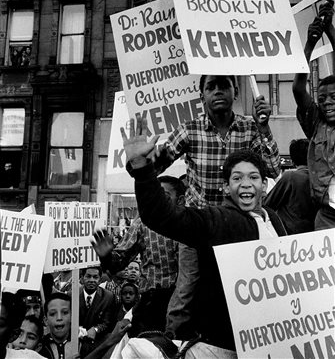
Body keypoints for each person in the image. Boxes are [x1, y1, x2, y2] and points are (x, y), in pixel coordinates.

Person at [93, 115, 287, 354]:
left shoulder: (274, 220)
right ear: (226, 187)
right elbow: (160, 215)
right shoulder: (218, 221)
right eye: (237, 178)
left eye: (253, 177)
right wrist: (142, 168)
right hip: (228, 344)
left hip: (274, 338)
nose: (246, 184)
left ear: (264, 185)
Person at [153, 74, 281, 339]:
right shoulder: (189, 129)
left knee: (246, 291)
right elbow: (159, 163)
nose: (217, 91)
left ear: (235, 92)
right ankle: (173, 343)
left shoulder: (250, 127)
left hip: (238, 227)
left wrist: (265, 128)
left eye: (224, 85)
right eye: (211, 86)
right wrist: (143, 159)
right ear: (202, 95)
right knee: (187, 290)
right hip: (199, 227)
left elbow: (273, 168)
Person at [93, 175, 184, 337]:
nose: (157, 200)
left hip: (185, 303)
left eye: (164, 195)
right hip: (153, 303)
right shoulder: (143, 222)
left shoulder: (193, 224)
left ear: (180, 200)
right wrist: (106, 255)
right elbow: (117, 263)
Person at [292, 0, 335, 230]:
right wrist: (309, 44)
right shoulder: (316, 125)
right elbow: (298, 89)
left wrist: (330, 30)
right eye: (322, 99)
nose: (327, 103)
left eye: (334, 98)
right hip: (327, 218)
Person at [265, 138, 317, 234]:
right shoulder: (319, 179)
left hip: (290, 234)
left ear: (293, 161)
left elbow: (267, 204)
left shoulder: (291, 177)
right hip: (314, 233)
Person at [79, 266, 118, 358]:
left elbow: (107, 322)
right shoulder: (72, 294)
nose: (91, 280)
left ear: (100, 280)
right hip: (76, 344)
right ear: (81, 278)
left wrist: (96, 329)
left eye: (95, 277)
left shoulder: (108, 297)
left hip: (98, 344)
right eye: (88, 276)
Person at [39, 293, 73, 359]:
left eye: (65, 312)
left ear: (72, 316)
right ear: (46, 320)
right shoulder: (39, 347)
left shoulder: (82, 346)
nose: (59, 318)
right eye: (53, 314)